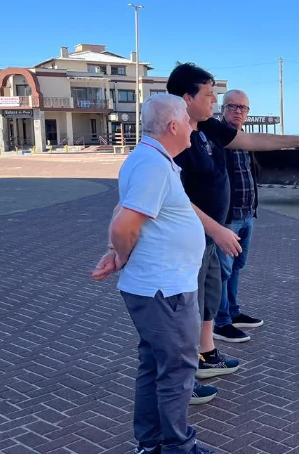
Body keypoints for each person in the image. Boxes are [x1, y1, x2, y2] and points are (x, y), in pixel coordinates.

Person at [165, 62, 299, 403]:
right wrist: (217, 228)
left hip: (210, 236)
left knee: (209, 298)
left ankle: (206, 356)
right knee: (185, 310)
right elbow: (171, 195)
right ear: (187, 97)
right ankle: (180, 380)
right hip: (189, 239)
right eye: (209, 96)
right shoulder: (174, 134)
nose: (214, 102)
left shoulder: (207, 126)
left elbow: (250, 139)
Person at [91, 94, 214, 454]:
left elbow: (124, 209)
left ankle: (151, 443)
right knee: (176, 371)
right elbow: (124, 223)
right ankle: (176, 447)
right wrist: (120, 253)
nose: (194, 128)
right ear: (174, 126)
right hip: (165, 290)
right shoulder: (153, 165)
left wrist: (118, 252)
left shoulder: (150, 159)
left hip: (160, 287)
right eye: (190, 122)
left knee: (154, 365)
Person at [212, 90, 264, 343]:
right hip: (227, 218)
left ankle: (233, 312)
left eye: (243, 108)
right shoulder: (216, 137)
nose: (238, 111)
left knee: (236, 267)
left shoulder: (245, 139)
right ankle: (220, 322)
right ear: (222, 108)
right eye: (233, 106)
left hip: (247, 214)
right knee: (222, 270)